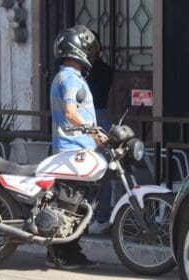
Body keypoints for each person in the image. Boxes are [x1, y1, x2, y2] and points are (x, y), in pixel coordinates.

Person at [47, 25, 107, 270]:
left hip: (79, 150)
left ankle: (69, 248)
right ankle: (61, 251)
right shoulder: (69, 78)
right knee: (70, 203)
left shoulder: (70, 76)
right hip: (72, 150)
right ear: (77, 48)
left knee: (79, 203)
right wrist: (95, 131)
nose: (91, 54)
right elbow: (71, 112)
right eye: (88, 48)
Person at [86, 31, 114, 234]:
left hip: (98, 115)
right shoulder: (77, 71)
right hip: (83, 115)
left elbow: (96, 94)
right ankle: (85, 214)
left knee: (101, 167)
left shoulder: (103, 69)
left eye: (93, 46)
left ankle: (102, 216)